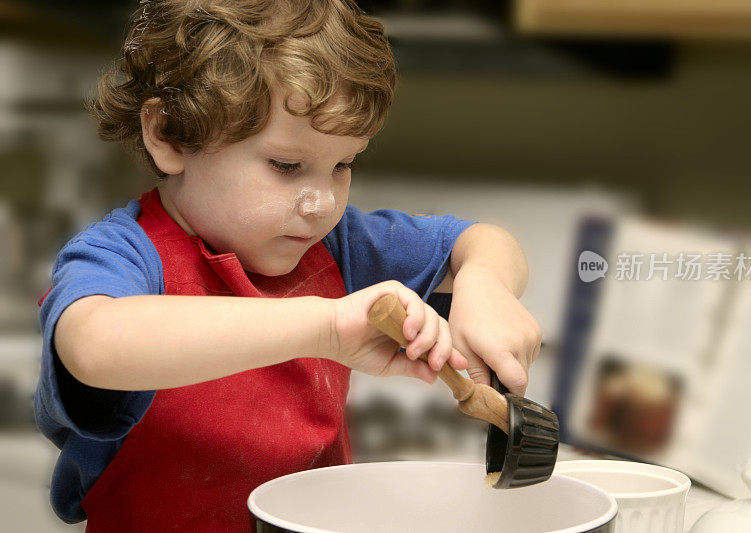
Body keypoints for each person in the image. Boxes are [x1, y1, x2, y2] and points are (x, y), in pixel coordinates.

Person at [35, 1, 543, 530]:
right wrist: (324, 327)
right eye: (286, 165)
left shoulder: (341, 245)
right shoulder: (123, 255)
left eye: (343, 165)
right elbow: (95, 345)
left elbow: (481, 240)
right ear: (168, 134)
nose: (321, 203)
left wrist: (487, 287)